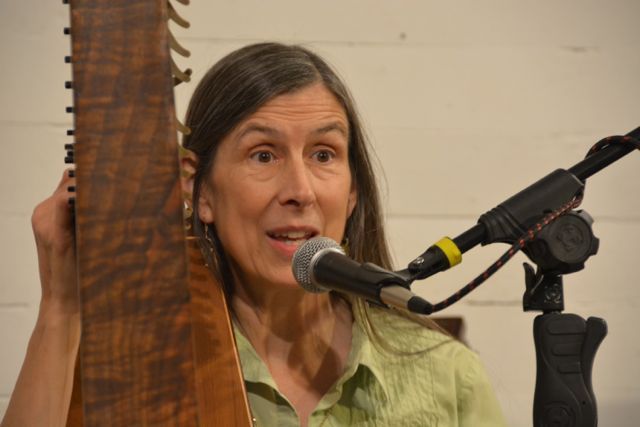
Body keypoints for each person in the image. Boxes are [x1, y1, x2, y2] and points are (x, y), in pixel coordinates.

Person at [2, 43, 507, 426]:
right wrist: (61, 307)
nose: (300, 190)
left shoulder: (447, 374)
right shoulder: (132, 365)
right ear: (199, 191)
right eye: (263, 155)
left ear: (353, 192)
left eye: (324, 154)